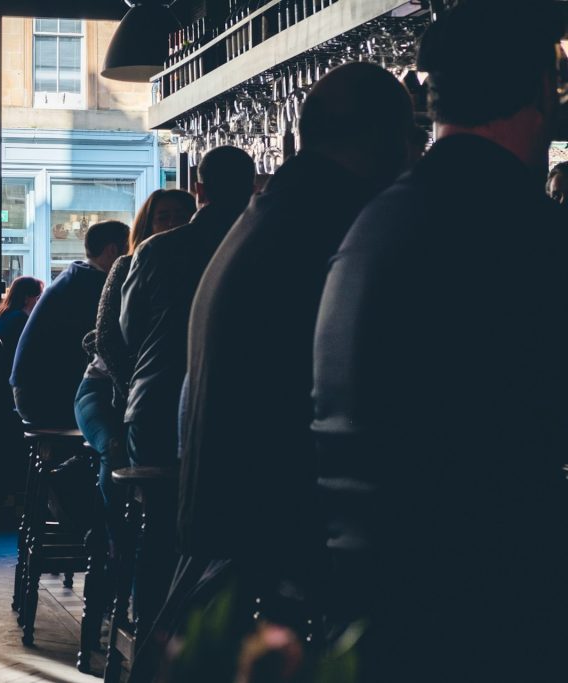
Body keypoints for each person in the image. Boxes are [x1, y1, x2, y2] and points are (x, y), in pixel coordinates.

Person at [312, 2, 568, 680]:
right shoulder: (527, 232)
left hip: (371, 603)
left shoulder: (375, 223)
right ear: (544, 90)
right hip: (484, 613)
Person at [157, 64, 415, 677]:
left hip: (227, 521)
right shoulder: (341, 220)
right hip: (276, 533)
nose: (416, 155)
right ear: (385, 139)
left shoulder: (279, 208)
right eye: (413, 138)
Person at [120, 146, 254, 466]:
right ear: (252, 190)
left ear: (199, 190)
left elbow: (130, 331)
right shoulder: (271, 246)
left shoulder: (155, 250)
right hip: (244, 402)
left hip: (157, 395)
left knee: (156, 509)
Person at [76, 189, 195, 507]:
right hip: (103, 386)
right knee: (115, 449)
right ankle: (113, 544)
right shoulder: (127, 264)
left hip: (162, 388)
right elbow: (107, 340)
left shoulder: (197, 266)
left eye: (181, 215)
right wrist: (132, 387)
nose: (172, 223)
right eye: (164, 216)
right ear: (148, 224)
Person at [10, 220, 128, 428]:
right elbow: (106, 343)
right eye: (130, 251)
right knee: (122, 418)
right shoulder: (95, 287)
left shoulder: (77, 276)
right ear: (112, 251)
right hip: (41, 398)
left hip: (29, 391)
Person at [0, 275, 44, 380]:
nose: (40, 302)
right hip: (10, 377)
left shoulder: (2, 316)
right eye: (38, 298)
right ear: (26, 298)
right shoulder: (20, 320)